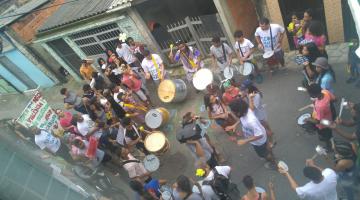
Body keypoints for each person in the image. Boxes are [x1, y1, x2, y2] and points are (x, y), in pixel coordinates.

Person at [226, 98, 276, 169]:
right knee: (266, 148)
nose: (231, 112)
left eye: (233, 111)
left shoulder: (250, 121)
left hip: (259, 142)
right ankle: (270, 152)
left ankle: (272, 162)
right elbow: (242, 118)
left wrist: (244, 141)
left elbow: (259, 135)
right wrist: (234, 125)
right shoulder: (246, 111)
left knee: (264, 154)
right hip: (260, 138)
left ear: (239, 112)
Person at [306, 83, 336, 150]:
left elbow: (318, 121)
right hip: (330, 117)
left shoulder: (320, 106)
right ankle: (331, 139)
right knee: (329, 132)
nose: (309, 95)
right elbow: (334, 99)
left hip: (324, 124)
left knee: (325, 135)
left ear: (314, 94)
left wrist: (309, 119)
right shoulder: (325, 91)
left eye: (310, 94)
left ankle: (329, 147)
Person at [245, 84, 276, 148]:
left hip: (259, 116)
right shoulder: (252, 94)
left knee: (265, 130)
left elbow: (252, 108)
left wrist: (249, 98)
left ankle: (271, 142)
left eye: (245, 89)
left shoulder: (256, 96)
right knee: (267, 126)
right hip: (260, 115)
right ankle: (271, 134)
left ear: (249, 89)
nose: (244, 90)